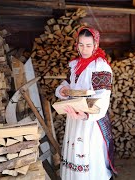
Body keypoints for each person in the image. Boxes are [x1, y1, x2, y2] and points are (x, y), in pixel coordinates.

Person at [55, 27, 117, 180]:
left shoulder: (100, 66)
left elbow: (103, 96)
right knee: (74, 151)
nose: (84, 49)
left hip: (90, 120)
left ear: (96, 45)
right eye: (81, 45)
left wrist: (85, 115)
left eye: (88, 45)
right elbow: (69, 84)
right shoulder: (75, 65)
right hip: (73, 116)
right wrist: (62, 90)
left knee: (89, 155)